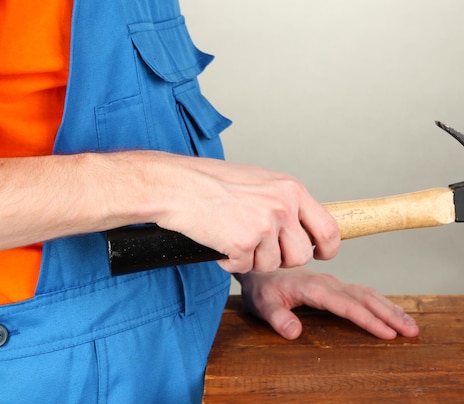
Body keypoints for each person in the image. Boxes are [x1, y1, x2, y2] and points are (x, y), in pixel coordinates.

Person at [0, 1, 418, 402]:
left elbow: (129, 115)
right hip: (43, 369)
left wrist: (239, 256)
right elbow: (163, 185)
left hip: (183, 338)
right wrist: (165, 185)